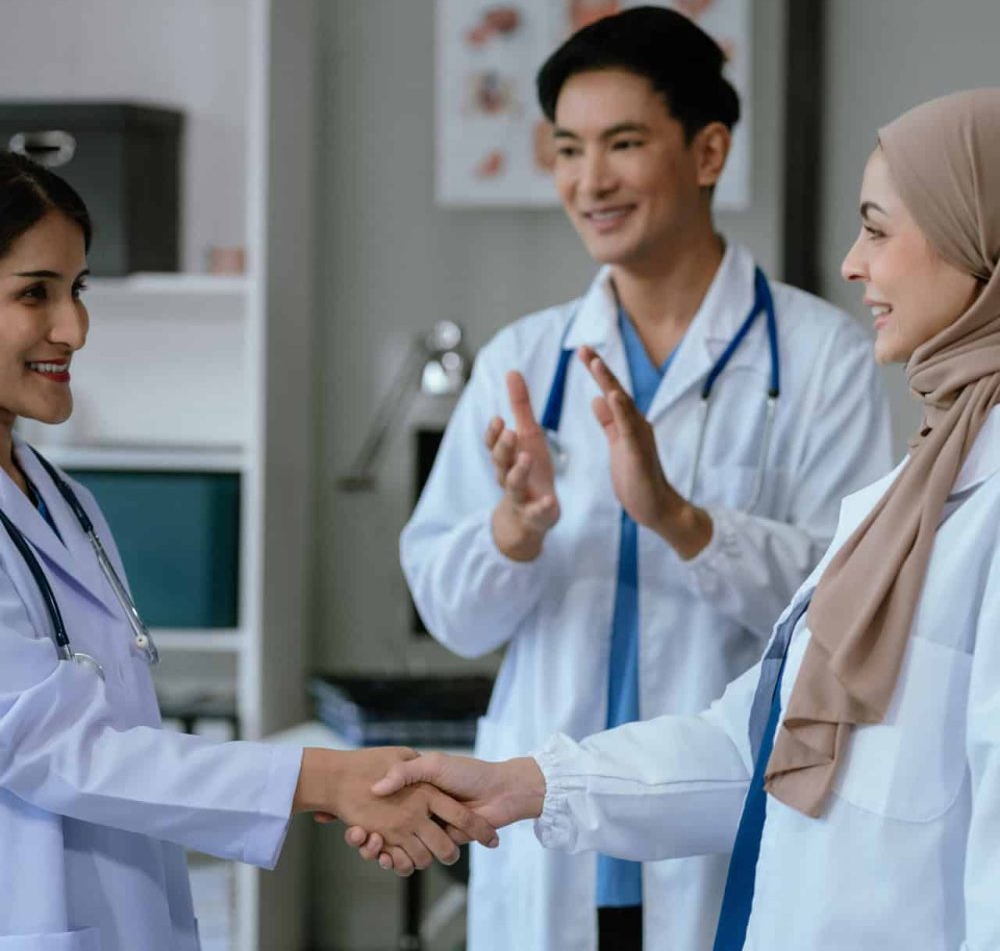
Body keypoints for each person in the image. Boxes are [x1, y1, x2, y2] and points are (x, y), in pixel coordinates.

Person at [359, 88, 1000, 950]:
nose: (852, 263)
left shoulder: (842, 381)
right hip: (621, 843)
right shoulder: (926, 480)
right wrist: (524, 784)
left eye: (878, 230)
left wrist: (677, 519)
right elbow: (767, 736)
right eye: (567, 148)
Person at [0, 151, 498, 951]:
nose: (75, 328)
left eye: (78, 289)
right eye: (35, 293)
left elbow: (118, 745)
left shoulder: (67, 500)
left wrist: (328, 778)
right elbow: (55, 749)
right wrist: (321, 777)